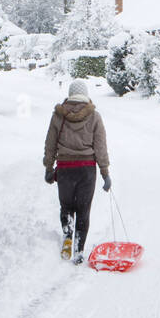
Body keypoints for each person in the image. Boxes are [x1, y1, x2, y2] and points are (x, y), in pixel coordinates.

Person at [42, 79, 111, 264]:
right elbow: (100, 146)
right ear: (85, 95)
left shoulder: (59, 116)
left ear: (70, 94)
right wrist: (105, 173)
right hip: (86, 170)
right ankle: (79, 249)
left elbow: (50, 144)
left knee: (66, 206)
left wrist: (49, 168)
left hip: (65, 169)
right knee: (83, 210)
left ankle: (67, 235)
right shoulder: (94, 116)